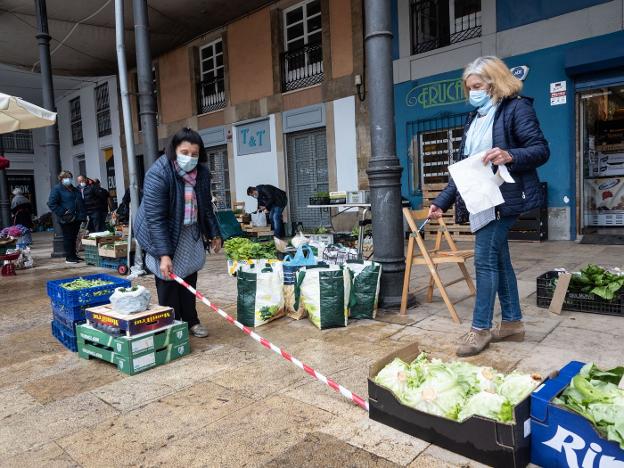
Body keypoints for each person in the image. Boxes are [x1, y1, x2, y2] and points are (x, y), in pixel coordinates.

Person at [428, 56, 549, 357]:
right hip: (480, 199)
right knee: (500, 260)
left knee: (484, 260)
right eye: (469, 88)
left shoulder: (516, 108)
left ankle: (480, 329)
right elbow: (465, 169)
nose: (473, 93)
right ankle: (512, 324)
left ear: (494, 83)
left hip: (503, 198)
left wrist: (509, 155)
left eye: (477, 86)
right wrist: (441, 202)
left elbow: (540, 149)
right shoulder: (474, 119)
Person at [135, 128, 222, 338]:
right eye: (184, 152)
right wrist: (164, 254)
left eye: (194, 154)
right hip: (160, 231)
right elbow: (155, 218)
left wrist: (215, 234)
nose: (189, 158)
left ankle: (191, 320)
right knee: (167, 278)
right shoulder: (159, 173)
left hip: (188, 229)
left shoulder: (201, 173)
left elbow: (206, 207)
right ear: (174, 150)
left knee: (189, 275)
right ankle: (172, 324)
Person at [48, 170, 87, 264]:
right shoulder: (57, 189)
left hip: (77, 218)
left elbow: (80, 202)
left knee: (74, 237)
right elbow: (52, 204)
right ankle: (69, 257)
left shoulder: (74, 189)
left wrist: (83, 215)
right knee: (68, 237)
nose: (68, 179)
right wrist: (63, 212)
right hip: (66, 218)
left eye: (69, 177)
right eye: (66, 177)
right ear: (61, 179)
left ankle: (74, 255)